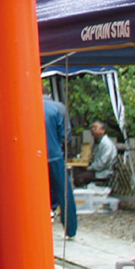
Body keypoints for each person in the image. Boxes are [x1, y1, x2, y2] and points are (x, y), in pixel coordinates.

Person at [44, 93, 78, 239]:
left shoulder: (28, 106)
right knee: (64, 192)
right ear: (49, 95)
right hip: (55, 154)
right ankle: (70, 229)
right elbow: (65, 134)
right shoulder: (57, 108)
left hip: (34, 156)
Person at [73, 121, 118, 187]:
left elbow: (102, 164)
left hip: (103, 172)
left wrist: (88, 168)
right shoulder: (98, 142)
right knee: (77, 172)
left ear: (103, 131)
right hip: (97, 169)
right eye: (92, 128)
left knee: (79, 178)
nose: (92, 129)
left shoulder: (107, 144)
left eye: (95, 128)